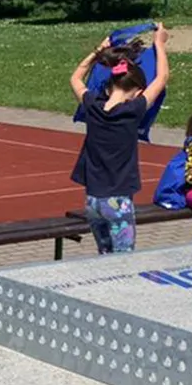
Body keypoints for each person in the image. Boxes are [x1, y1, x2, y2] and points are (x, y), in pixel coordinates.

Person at [70, 24, 171, 255]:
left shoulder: (92, 105)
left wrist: (98, 52)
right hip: (118, 201)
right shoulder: (133, 110)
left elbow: (75, 78)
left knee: (105, 254)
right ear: (137, 91)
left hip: (93, 201)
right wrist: (159, 44)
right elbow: (162, 77)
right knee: (123, 259)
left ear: (108, 87)